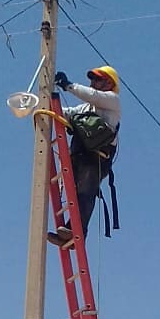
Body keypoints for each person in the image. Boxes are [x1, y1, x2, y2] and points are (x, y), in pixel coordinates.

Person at [47, 65, 121, 247]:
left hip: (96, 158)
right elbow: (67, 113)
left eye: (98, 79)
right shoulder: (87, 107)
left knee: (85, 193)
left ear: (109, 84)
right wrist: (42, 103)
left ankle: (77, 233)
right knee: (74, 193)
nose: (93, 83)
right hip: (79, 155)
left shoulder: (112, 100)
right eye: (92, 79)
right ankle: (68, 233)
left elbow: (93, 95)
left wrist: (68, 85)